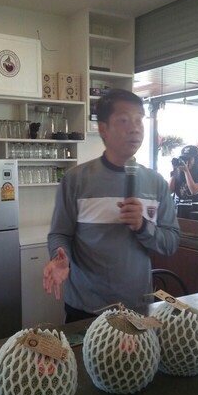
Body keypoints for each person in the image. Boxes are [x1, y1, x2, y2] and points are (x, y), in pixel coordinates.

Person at [43, 88, 180, 322]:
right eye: (124, 120)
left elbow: (171, 243)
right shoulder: (76, 179)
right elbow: (60, 234)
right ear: (103, 128)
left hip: (137, 305)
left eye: (139, 120)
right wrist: (59, 257)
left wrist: (143, 226)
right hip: (85, 306)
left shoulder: (156, 182)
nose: (135, 128)